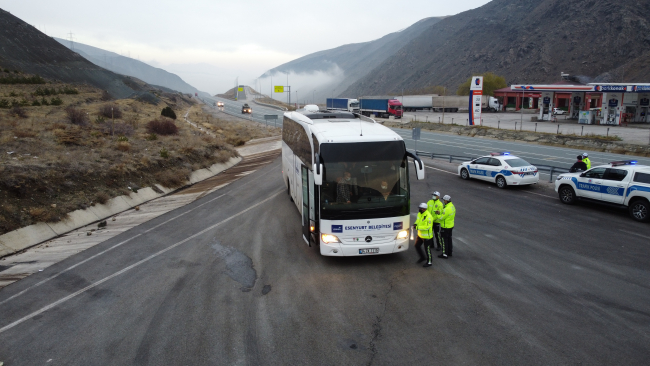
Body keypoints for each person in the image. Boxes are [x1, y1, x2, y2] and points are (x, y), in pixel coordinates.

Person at [413, 203, 434, 267]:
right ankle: (422, 257)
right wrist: (415, 224)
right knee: (417, 245)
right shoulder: (420, 214)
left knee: (427, 249)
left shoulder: (428, 217)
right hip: (420, 235)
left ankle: (429, 262)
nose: (419, 209)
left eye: (420, 208)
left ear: (424, 209)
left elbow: (427, 227)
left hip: (427, 236)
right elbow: (418, 221)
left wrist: (417, 227)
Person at [438, 195, 456, 259]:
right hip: (450, 225)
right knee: (449, 239)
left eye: (444, 200)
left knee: (444, 240)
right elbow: (447, 214)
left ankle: (444, 254)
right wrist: (441, 212)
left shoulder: (446, 209)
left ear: (446, 200)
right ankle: (449, 252)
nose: (443, 201)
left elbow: (441, 217)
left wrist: (438, 215)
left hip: (445, 227)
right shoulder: (452, 206)